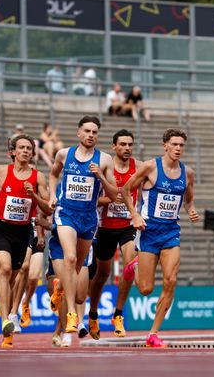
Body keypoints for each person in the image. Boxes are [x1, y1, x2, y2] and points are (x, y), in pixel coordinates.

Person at [121, 128, 200, 347]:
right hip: (148, 230)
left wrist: (191, 210)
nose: (178, 149)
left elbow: (189, 199)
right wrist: (135, 214)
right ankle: (135, 266)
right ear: (165, 145)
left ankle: (153, 334)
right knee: (145, 289)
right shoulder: (150, 167)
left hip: (171, 232)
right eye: (174, 144)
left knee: (171, 280)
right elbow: (126, 190)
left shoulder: (188, 173)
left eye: (181, 145)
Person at [48, 115, 118, 335]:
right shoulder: (64, 154)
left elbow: (114, 194)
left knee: (77, 266)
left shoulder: (105, 160)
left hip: (88, 217)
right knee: (69, 258)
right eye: (87, 131)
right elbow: (52, 174)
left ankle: (59, 287)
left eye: (95, 132)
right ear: (79, 133)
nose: (91, 135)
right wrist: (52, 194)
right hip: (66, 213)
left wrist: (101, 177)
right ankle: (72, 315)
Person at [0, 134, 49, 348]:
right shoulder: (1, 171)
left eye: (29, 148)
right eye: (21, 148)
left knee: (14, 278)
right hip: (1, 229)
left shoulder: (39, 178)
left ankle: (8, 315)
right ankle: (6, 320)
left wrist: (34, 195)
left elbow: (47, 209)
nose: (26, 151)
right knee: (6, 269)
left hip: (23, 232)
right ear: (13, 152)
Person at [88, 129, 141, 339]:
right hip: (105, 228)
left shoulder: (138, 168)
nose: (127, 148)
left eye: (130, 144)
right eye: (123, 144)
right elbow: (93, 199)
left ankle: (118, 314)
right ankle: (93, 313)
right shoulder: (105, 166)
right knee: (102, 275)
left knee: (130, 266)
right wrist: (110, 199)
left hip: (128, 226)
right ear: (114, 146)